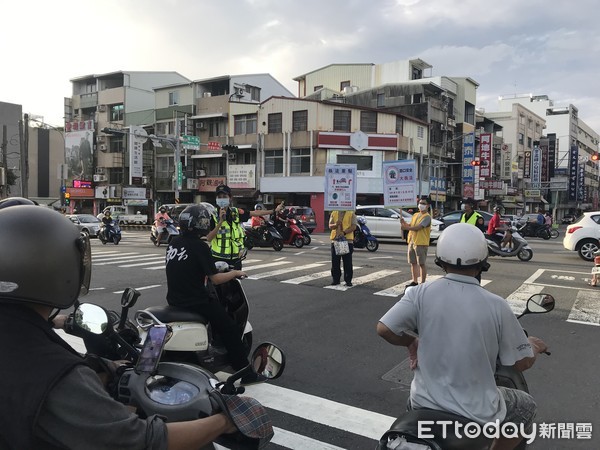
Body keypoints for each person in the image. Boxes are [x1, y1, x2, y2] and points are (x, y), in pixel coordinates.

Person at [0, 204, 237, 449]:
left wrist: (102, 367)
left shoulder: (26, 340)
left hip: (178, 302)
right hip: (196, 302)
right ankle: (244, 366)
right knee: (228, 327)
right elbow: (142, 441)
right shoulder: (57, 376)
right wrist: (224, 422)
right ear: (58, 269)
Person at [377, 223, 548, 450]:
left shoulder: (419, 293)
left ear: (440, 260)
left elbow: (384, 328)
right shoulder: (496, 305)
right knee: (526, 406)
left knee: (413, 401)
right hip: (477, 410)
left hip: (423, 402)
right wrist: (532, 346)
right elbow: (522, 362)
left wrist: (411, 341)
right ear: (482, 263)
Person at [166, 203, 264, 385]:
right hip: (196, 301)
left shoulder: (175, 242)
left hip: (174, 300)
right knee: (229, 328)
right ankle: (245, 373)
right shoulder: (199, 246)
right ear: (200, 223)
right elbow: (216, 279)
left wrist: (219, 222)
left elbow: (204, 244)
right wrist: (235, 273)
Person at [206, 185, 283, 269]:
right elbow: (209, 238)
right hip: (218, 259)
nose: (222, 199)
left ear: (230, 198)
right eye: (219, 197)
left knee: (236, 281)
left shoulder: (236, 212)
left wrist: (274, 211)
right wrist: (220, 222)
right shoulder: (212, 215)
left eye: (224, 197)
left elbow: (256, 213)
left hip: (235, 259)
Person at [400, 197, 432, 287]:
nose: (421, 205)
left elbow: (419, 227)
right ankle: (415, 281)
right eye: (420, 203)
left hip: (421, 243)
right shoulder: (415, 215)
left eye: (423, 203)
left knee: (421, 263)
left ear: (428, 205)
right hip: (412, 241)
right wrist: (404, 223)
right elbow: (411, 225)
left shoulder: (427, 217)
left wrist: (406, 228)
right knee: (413, 262)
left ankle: (422, 283)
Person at [328, 209, 357, 286]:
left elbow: (354, 227)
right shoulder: (334, 212)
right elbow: (330, 226)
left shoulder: (351, 213)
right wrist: (335, 224)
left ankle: (348, 280)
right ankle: (336, 279)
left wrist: (344, 232)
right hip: (335, 240)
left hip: (347, 240)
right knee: (335, 262)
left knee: (347, 262)